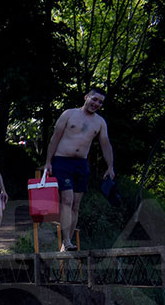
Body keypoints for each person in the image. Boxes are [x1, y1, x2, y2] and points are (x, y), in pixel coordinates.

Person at [44, 87, 114, 252]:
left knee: (76, 204)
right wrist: (48, 161)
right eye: (94, 99)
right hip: (62, 161)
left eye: (100, 102)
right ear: (86, 97)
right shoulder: (69, 114)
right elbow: (55, 137)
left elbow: (105, 144)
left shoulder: (100, 122)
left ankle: (67, 241)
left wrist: (110, 166)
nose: (96, 103)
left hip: (81, 164)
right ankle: (67, 241)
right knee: (67, 200)